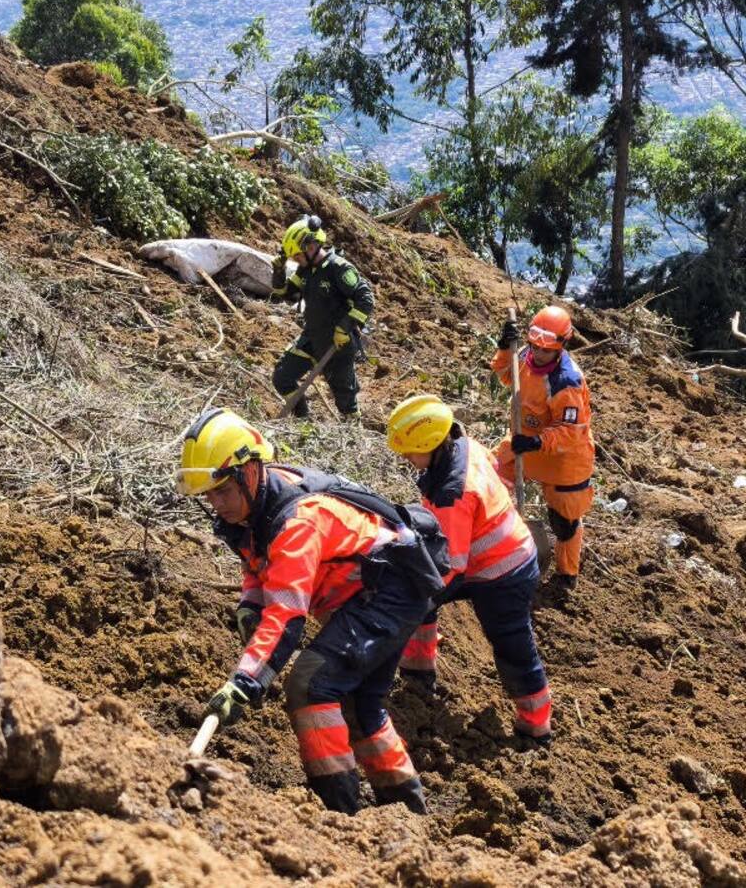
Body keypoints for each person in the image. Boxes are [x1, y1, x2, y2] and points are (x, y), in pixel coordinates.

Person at [175, 407, 437, 814]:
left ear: (249, 472)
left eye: (221, 490)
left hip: (387, 594)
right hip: (368, 596)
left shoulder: (297, 522)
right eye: (208, 495)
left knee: (310, 686)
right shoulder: (257, 504)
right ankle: (406, 808)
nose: (216, 503)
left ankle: (338, 812)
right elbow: (258, 564)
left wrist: (246, 681)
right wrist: (249, 604)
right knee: (359, 702)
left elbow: (286, 616)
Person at [387, 395, 553, 741]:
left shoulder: (452, 494)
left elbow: (451, 565)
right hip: (484, 554)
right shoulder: (465, 444)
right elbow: (494, 469)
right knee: (420, 599)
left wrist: (417, 588)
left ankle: (536, 722)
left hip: (504, 571)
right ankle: (418, 673)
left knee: (511, 642)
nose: (405, 458)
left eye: (410, 452)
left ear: (432, 444)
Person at [491, 305, 595, 591]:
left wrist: (537, 441)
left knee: (564, 521)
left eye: (545, 350)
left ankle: (566, 576)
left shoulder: (567, 382)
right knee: (492, 478)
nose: (537, 354)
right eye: (534, 346)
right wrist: (504, 348)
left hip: (565, 459)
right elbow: (505, 374)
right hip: (526, 444)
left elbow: (570, 432)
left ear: (561, 346)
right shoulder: (523, 356)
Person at [270, 216, 374, 417]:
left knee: (345, 399)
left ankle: (353, 434)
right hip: (312, 337)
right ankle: (303, 420)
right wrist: (278, 270)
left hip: (338, 344)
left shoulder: (339, 268)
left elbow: (366, 299)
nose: (297, 261)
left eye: (298, 256)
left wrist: (344, 327)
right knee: (282, 377)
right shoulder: (306, 270)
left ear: (310, 246)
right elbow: (286, 292)